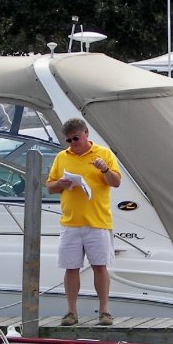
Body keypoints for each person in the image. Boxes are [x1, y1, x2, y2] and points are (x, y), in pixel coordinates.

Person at [47, 117, 121, 326]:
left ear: (86, 134)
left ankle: (104, 311)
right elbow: (50, 186)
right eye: (69, 140)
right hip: (70, 222)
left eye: (76, 138)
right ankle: (71, 312)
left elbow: (116, 182)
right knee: (71, 267)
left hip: (97, 221)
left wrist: (105, 169)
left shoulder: (104, 154)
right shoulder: (62, 157)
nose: (73, 143)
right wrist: (60, 183)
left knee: (100, 266)